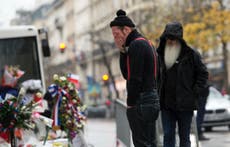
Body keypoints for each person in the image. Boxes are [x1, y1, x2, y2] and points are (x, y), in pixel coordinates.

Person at [110, 9, 160, 147]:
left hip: (141, 101)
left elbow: (132, 77)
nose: (115, 38)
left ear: (126, 30)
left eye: (116, 34)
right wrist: (122, 51)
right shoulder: (145, 42)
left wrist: (131, 103)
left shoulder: (136, 45)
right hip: (151, 98)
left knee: (141, 143)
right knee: (150, 142)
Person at [157, 21, 208, 147]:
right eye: (168, 38)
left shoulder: (191, 54)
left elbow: (203, 73)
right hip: (166, 105)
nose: (171, 41)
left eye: (174, 39)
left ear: (179, 39)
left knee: (184, 137)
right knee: (168, 135)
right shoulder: (159, 55)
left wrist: (194, 91)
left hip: (185, 105)